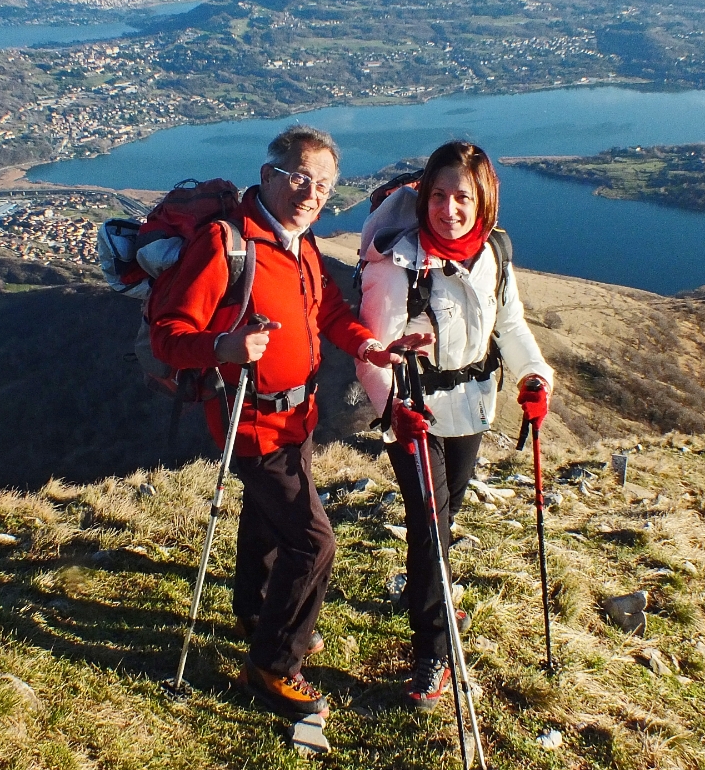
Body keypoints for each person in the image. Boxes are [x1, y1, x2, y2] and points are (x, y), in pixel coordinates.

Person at [149, 124, 429, 719]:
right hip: (249, 421)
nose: (311, 192)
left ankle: (256, 611)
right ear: (268, 174)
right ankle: (274, 663)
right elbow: (169, 336)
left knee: (268, 522)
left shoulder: (298, 243)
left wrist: (370, 348)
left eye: (323, 184)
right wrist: (223, 348)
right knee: (313, 543)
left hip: (297, 415)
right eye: (299, 177)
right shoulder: (228, 244)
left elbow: (327, 308)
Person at [355, 140, 555, 711]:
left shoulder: (494, 250)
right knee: (432, 528)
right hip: (414, 417)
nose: (449, 209)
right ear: (423, 196)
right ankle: (432, 650)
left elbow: (510, 326)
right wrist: (394, 409)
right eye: (438, 195)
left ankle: (427, 592)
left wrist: (533, 376)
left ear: (482, 198)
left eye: (461, 196)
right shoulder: (397, 260)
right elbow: (373, 349)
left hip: (472, 407)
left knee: (443, 517)